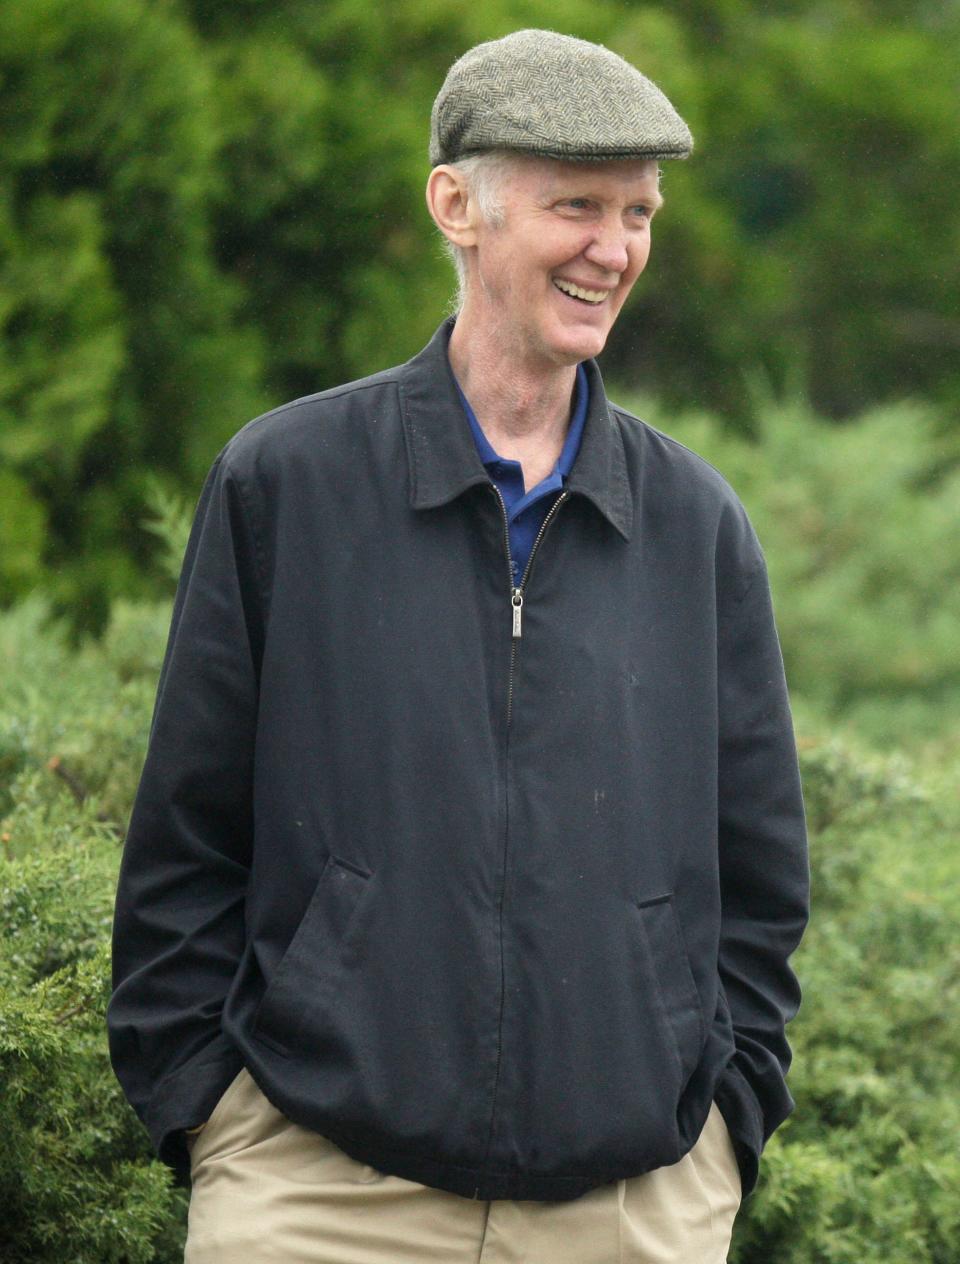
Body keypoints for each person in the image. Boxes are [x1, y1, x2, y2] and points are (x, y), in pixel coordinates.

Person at [108, 28, 809, 1264]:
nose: (615, 247)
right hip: (321, 1194)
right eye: (577, 204)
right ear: (457, 206)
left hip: (633, 1210)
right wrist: (214, 1111)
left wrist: (723, 1130)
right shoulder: (287, 484)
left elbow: (758, 878)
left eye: (638, 212)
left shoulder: (695, 525)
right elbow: (187, 834)